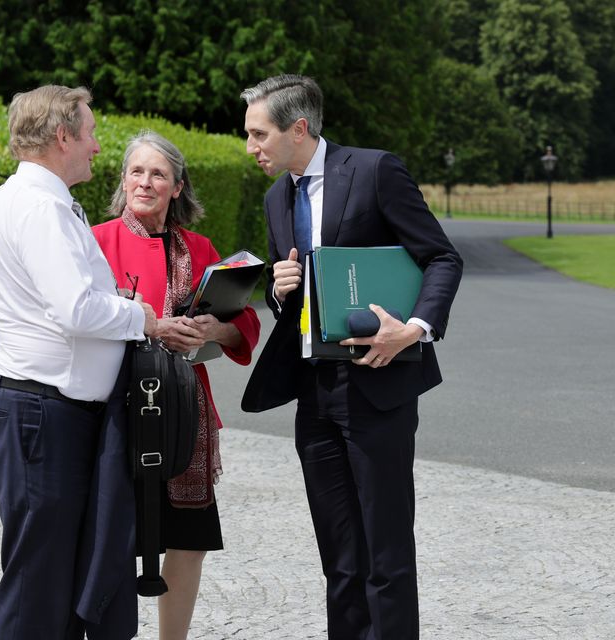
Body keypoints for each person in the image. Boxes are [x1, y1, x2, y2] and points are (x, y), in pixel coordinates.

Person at [240, 74, 463, 639]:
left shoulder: (374, 170)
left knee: (385, 558)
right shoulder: (275, 198)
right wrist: (278, 287)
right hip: (313, 394)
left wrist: (412, 330)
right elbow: (286, 296)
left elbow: (441, 258)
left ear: (298, 127)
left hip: (378, 383)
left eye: (258, 134)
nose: (251, 147)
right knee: (339, 559)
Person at [0, 85, 159, 639]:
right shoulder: (39, 206)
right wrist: (142, 318)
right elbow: (76, 308)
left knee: (61, 581)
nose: (98, 146)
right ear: (62, 136)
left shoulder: (41, 202)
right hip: (40, 414)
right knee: (38, 589)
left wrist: (122, 308)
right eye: (91, 131)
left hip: (48, 412)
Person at [92, 130, 261, 640]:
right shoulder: (95, 241)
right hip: (116, 406)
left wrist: (217, 329)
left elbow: (243, 322)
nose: (145, 182)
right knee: (113, 535)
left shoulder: (201, 248)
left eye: (158, 174)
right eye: (136, 172)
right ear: (123, 181)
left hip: (186, 411)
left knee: (187, 541)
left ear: (177, 186)